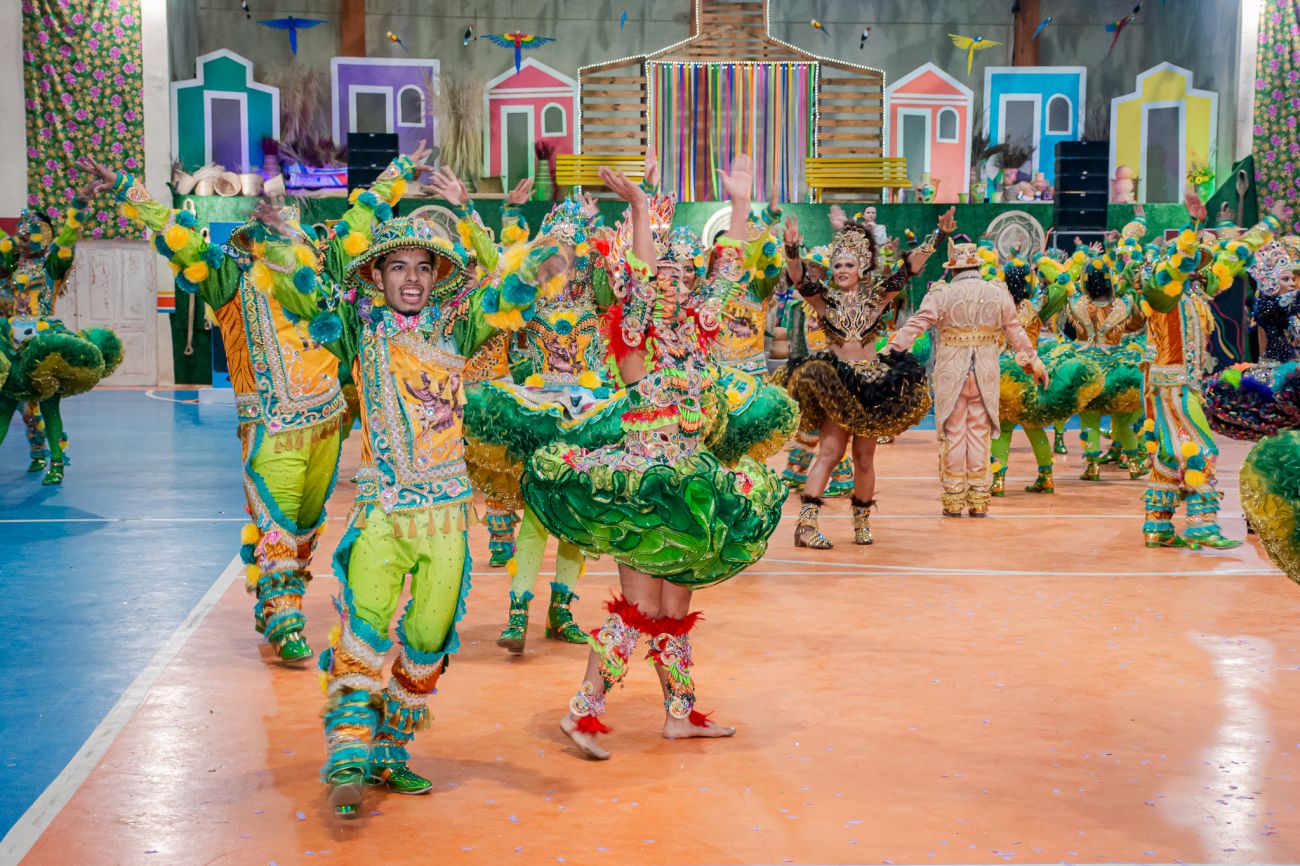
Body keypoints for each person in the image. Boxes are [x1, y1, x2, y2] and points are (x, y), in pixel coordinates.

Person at [88, 147, 430, 661]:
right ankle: (284, 617)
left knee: (305, 529)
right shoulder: (230, 280)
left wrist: (398, 171)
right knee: (275, 524)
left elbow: (361, 216)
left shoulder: (323, 271)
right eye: (268, 237)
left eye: (288, 236)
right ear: (251, 245)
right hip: (271, 429)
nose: (281, 244)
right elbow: (178, 237)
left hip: (327, 426)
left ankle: (274, 598)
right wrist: (126, 189)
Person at [273, 210, 555, 811]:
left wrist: (541, 259)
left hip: (446, 516)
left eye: (423, 268)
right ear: (377, 275)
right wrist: (284, 242)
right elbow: (303, 295)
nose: (411, 278)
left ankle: (390, 751)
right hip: (381, 511)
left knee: (429, 637)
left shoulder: (458, 328)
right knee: (364, 628)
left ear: (435, 276)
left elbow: (508, 296)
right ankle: (347, 750)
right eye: (398, 267)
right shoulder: (357, 328)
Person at [520, 157, 786, 760]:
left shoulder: (697, 333)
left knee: (673, 610)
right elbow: (638, 282)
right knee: (639, 608)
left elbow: (727, 273)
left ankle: (679, 715)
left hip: (690, 486)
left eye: (685, 271)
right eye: (667, 269)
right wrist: (640, 209)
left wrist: (740, 205)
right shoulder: (633, 337)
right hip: (643, 488)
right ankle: (581, 712)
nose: (677, 279)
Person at [773, 208, 954, 546]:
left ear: (862, 267)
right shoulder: (824, 300)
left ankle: (861, 523)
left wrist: (939, 236)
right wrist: (792, 249)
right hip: (840, 386)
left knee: (864, 459)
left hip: (872, 387)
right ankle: (806, 526)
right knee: (829, 452)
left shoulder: (877, 297)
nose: (842, 270)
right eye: (838, 265)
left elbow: (909, 269)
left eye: (849, 264)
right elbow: (797, 277)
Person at [1137, 193, 1285, 549]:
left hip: (1180, 386)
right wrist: (1193, 226)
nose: (1199, 268)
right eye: (1193, 263)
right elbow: (1176, 266)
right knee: (1201, 448)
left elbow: (1233, 259)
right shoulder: (1162, 292)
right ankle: (1202, 526)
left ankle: (1157, 526)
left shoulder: (1193, 293)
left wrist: (1270, 224)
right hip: (1171, 387)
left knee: (1170, 453)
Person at [885, 242, 1048, 516]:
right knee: (979, 432)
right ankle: (979, 498)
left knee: (953, 432)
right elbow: (1015, 331)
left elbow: (915, 325)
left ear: (953, 268)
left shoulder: (941, 294)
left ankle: (954, 496)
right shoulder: (997, 292)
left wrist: (888, 352)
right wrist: (1035, 362)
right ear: (977, 266)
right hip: (985, 370)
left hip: (952, 371)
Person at [0, 185, 122, 485]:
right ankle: (39, 451)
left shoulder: (52, 263)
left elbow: (68, 236)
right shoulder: (11, 264)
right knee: (5, 406)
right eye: (23, 230)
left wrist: (79, 205)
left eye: (34, 230)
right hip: (11, 341)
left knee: (48, 407)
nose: (26, 235)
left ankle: (56, 462)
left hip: (41, 343)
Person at [988, 251, 1102, 495]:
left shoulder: (994, 307)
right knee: (1033, 427)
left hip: (1002, 377)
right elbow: (1061, 287)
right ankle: (1046, 477)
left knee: (1002, 429)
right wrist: (1047, 264)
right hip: (1029, 373)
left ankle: (998, 481)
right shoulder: (1036, 306)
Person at [1204, 240, 1300, 440]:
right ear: (1270, 283)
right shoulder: (1268, 305)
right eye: (1286, 279)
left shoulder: (1287, 306)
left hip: (1290, 365)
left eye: (1292, 279)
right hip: (1276, 368)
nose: (1292, 283)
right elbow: (1287, 305)